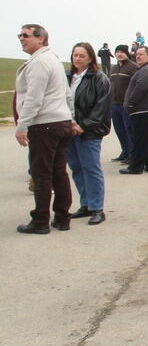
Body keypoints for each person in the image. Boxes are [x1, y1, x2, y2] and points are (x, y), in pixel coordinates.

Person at [14, 24, 74, 234]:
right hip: (60, 122)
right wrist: (71, 118)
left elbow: (34, 98)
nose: (21, 38)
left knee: (42, 173)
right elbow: (67, 94)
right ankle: (62, 217)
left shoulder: (40, 62)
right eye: (20, 35)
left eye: (26, 35)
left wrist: (22, 125)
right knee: (58, 172)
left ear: (41, 39)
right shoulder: (53, 60)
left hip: (45, 124)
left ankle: (40, 220)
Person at [66, 42, 111, 225]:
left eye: (82, 56)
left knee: (91, 168)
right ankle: (85, 204)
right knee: (76, 167)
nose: (77, 59)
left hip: (89, 131)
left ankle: (97, 207)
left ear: (91, 58)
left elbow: (101, 108)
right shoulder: (67, 76)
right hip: (68, 130)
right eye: (75, 55)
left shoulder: (99, 79)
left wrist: (83, 125)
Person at [120, 46, 148, 175]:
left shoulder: (146, 70)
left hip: (142, 110)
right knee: (147, 140)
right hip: (146, 110)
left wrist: (130, 104)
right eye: (137, 54)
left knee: (140, 140)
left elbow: (140, 88)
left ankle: (135, 167)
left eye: (141, 54)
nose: (138, 56)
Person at [109, 44, 137, 162]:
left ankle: (132, 154)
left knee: (129, 130)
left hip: (126, 105)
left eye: (122, 52)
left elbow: (137, 86)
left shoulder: (133, 67)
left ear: (127, 54)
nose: (120, 54)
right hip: (114, 104)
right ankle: (124, 152)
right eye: (117, 51)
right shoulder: (113, 68)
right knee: (119, 130)